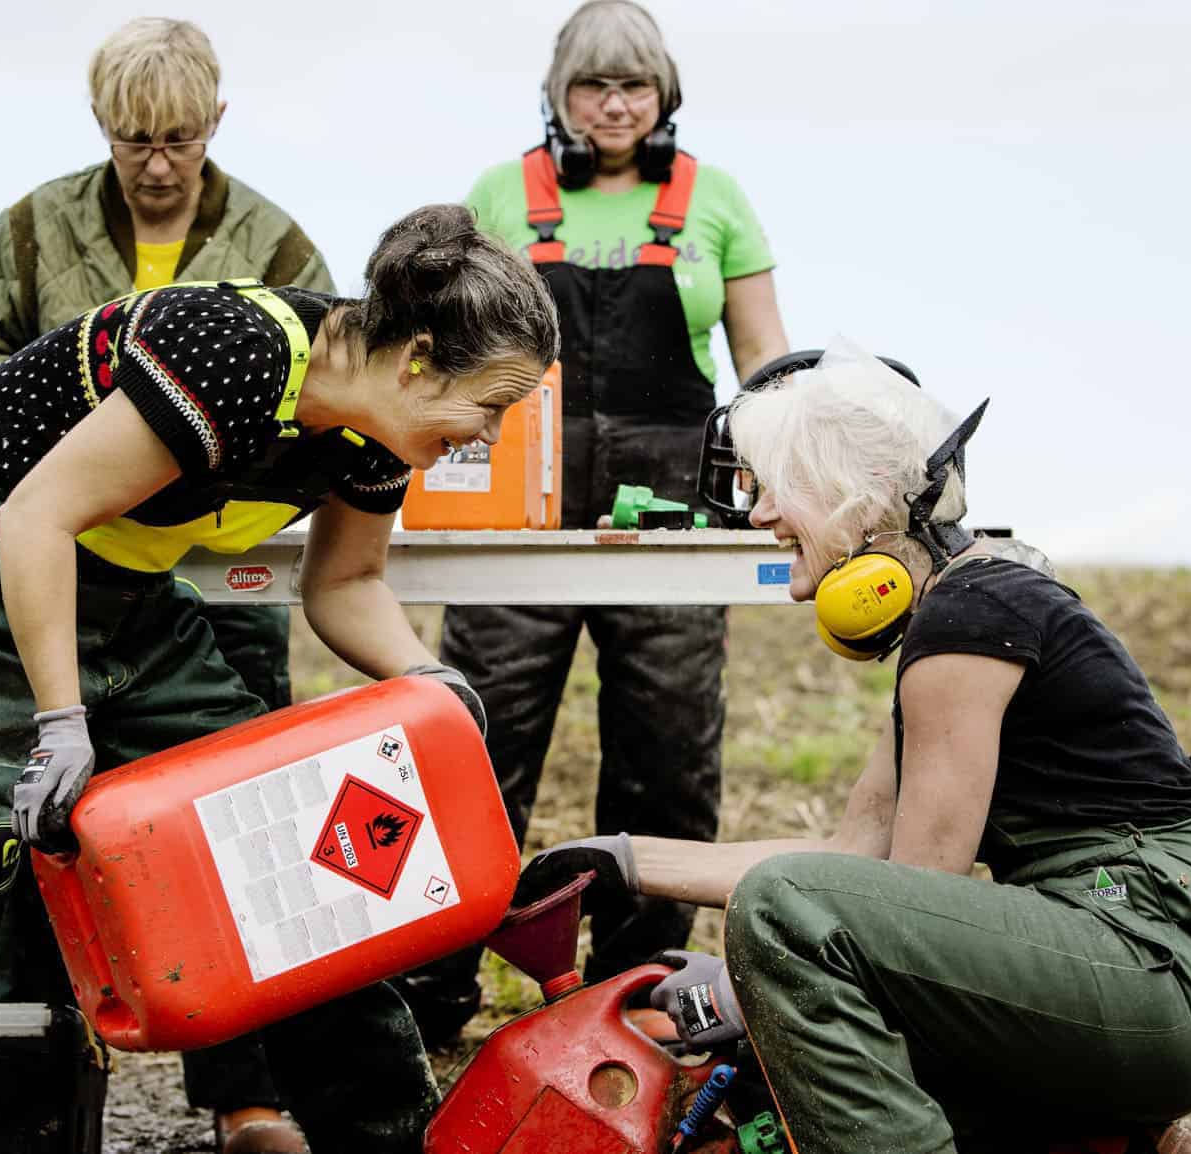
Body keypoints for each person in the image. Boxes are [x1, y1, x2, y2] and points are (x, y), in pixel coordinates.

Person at [0, 204, 560, 1154]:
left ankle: (389, 1135)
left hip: (126, 595)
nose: (486, 434)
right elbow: (34, 519)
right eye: (488, 406)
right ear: (415, 359)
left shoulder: (375, 430)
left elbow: (346, 583)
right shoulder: (235, 351)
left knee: (298, 859)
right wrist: (61, 721)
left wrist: (428, 677)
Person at [512, 342, 1191, 1154]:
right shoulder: (961, 611)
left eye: (768, 488)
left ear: (847, 494)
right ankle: (1114, 1140)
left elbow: (900, 892)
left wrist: (737, 989)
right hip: (1138, 971)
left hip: (1146, 965)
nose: (756, 515)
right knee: (793, 970)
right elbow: (848, 863)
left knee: (786, 941)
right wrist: (614, 858)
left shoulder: (968, 618)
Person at [0, 19, 334, 1148]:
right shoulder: (30, 227)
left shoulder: (276, 238)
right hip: (62, 566)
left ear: (218, 124)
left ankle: (246, 1092)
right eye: (134, 138)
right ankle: (41, 1077)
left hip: (219, 584)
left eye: (181, 139)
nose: (157, 163)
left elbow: (323, 399)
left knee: (226, 822)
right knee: (38, 819)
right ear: (101, 127)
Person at [399, 0, 791, 1046]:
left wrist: (793, 469)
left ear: (663, 96)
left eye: (635, 86)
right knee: (479, 744)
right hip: (514, 521)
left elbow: (765, 364)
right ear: (559, 95)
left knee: (666, 755)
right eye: (593, 86)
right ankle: (434, 994)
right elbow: (435, 347)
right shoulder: (497, 195)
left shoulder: (715, 201)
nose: (615, 105)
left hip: (671, 526)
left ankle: (640, 991)